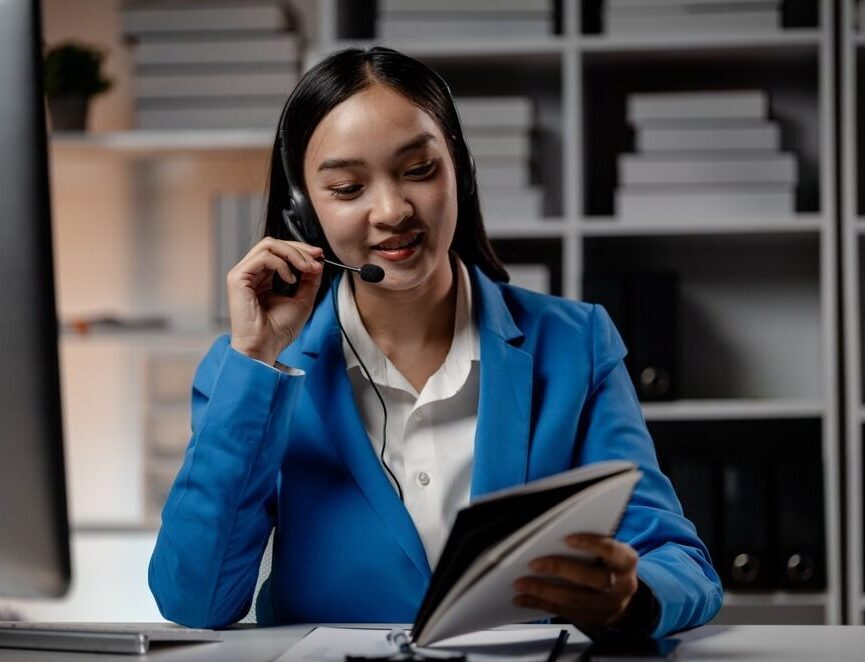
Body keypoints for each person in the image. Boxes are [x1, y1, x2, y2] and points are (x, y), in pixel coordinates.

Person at [148, 46, 722, 637]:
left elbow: (680, 561)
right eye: (347, 188)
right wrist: (256, 362)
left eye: (420, 170)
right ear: (304, 212)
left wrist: (631, 600)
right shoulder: (248, 372)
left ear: (460, 172)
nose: (392, 211)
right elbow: (194, 600)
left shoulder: (575, 344)